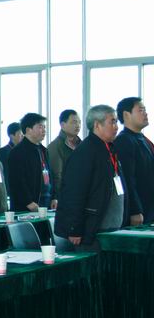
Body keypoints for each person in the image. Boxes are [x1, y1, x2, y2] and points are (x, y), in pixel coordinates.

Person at [55, 105, 128, 251]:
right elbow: (73, 193)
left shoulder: (109, 149)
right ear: (97, 125)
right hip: (91, 230)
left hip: (111, 227)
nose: (116, 127)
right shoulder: (85, 152)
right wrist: (74, 228)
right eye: (112, 122)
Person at [114, 97, 154, 225]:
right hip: (140, 210)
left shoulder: (144, 139)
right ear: (126, 115)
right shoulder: (124, 140)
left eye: (145, 110)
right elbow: (127, 179)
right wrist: (135, 210)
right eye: (141, 110)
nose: (145, 114)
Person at [8, 113, 56, 212]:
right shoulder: (17, 152)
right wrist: (28, 201)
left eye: (44, 127)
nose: (44, 130)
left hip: (46, 202)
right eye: (40, 127)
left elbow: (50, 175)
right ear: (28, 130)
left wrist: (54, 197)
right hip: (28, 207)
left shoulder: (43, 150)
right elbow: (16, 180)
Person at [48, 109, 82, 193]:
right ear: (63, 125)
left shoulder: (82, 144)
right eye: (74, 122)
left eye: (79, 122)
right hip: (66, 194)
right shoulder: (55, 146)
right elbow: (57, 176)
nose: (78, 125)